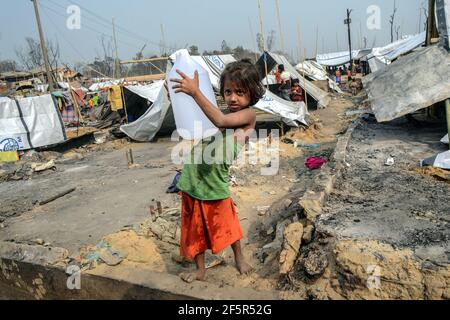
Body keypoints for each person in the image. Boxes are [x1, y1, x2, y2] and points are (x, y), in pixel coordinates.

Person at [168, 59, 264, 283]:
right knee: (194, 229)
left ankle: (239, 258)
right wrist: (176, 97)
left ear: (252, 93)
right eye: (228, 91)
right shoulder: (219, 114)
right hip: (193, 175)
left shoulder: (247, 117)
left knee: (228, 224)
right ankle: (200, 270)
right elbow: (197, 119)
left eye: (240, 92)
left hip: (215, 181)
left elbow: (220, 119)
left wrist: (194, 93)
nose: (232, 98)